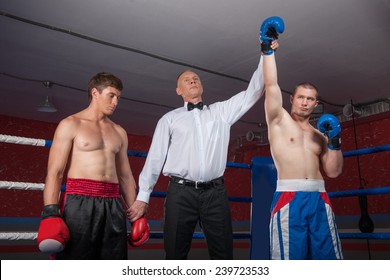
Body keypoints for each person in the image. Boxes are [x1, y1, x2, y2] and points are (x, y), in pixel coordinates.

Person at [127, 35, 269, 260]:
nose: (193, 81)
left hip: (215, 194)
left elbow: (254, 91)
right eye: (187, 80)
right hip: (180, 193)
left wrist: (266, 54)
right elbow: (155, 158)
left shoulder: (221, 112)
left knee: (223, 255)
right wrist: (143, 196)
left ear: (201, 85)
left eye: (196, 78)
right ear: (178, 90)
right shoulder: (169, 119)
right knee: (175, 253)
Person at [37, 72, 148, 260]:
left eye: (118, 98)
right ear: (95, 93)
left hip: (113, 204)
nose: (115, 102)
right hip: (79, 202)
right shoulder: (71, 124)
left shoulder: (119, 131)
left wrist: (137, 215)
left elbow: (125, 176)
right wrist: (50, 212)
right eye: (111, 96)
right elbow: (55, 172)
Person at [260, 17, 344, 259]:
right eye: (301, 97)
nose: (305, 102)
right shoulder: (279, 120)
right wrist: (267, 49)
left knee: (329, 261)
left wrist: (336, 141)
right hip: (290, 197)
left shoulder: (320, 135)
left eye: (310, 99)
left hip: (320, 198)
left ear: (316, 104)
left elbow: (334, 171)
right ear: (292, 99)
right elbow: (271, 84)